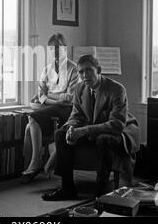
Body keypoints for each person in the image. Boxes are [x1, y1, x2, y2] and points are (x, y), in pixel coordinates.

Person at [41, 55, 140, 201]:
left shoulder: (117, 89)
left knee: (102, 139)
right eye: (81, 72)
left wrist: (85, 130)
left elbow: (116, 124)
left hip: (116, 133)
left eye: (88, 70)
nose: (84, 75)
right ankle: (67, 189)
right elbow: (76, 114)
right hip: (91, 130)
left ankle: (101, 191)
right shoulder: (80, 88)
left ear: (98, 70)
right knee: (60, 134)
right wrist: (71, 128)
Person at [21, 33, 78, 184]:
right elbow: (41, 95)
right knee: (30, 122)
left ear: (65, 48)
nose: (56, 51)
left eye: (59, 48)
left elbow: (70, 98)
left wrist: (50, 96)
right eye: (52, 48)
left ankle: (35, 162)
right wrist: (55, 99)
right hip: (53, 108)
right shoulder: (47, 69)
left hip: (67, 110)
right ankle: (34, 163)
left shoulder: (74, 69)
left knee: (32, 118)